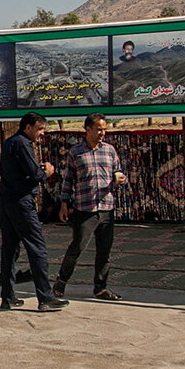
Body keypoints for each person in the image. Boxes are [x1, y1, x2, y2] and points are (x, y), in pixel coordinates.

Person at [0, 112, 67, 312]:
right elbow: (35, 174)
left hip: (8, 201)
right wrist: (48, 171)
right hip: (21, 202)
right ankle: (45, 297)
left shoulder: (10, 143)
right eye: (39, 129)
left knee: (9, 250)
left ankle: (7, 296)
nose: (42, 133)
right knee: (37, 248)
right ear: (27, 127)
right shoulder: (22, 144)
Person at [52, 112, 126, 301]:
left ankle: (100, 287)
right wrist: (64, 204)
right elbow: (68, 180)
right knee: (77, 248)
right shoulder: (76, 152)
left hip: (106, 207)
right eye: (99, 129)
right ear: (88, 129)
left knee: (104, 251)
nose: (102, 133)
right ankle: (61, 282)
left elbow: (117, 171)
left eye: (104, 129)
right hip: (85, 209)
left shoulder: (109, 150)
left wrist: (120, 178)